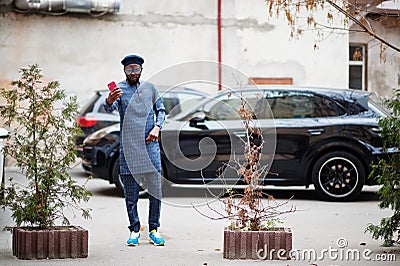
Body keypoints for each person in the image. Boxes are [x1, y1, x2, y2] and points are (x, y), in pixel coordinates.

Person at [103, 54, 166, 246]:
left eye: (136, 69)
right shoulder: (119, 90)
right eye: (129, 69)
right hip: (129, 149)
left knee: (155, 192)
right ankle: (134, 230)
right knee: (131, 194)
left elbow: (161, 110)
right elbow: (108, 109)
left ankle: (154, 229)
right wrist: (108, 99)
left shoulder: (150, 88)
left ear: (141, 70)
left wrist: (157, 127)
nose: (132, 73)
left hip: (150, 148)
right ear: (124, 71)